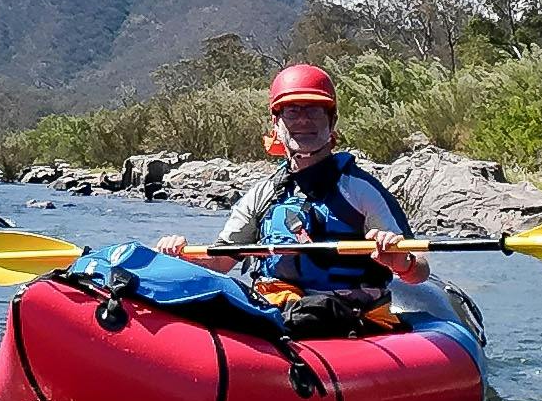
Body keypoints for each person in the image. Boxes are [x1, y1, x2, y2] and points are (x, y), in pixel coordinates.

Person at [158, 65, 423, 328]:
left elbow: (420, 270)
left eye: (314, 110)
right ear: (276, 121)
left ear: (331, 120)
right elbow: (220, 261)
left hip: (351, 321)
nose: (303, 120)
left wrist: (400, 261)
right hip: (279, 317)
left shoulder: (360, 189)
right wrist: (180, 257)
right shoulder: (263, 195)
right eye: (292, 111)